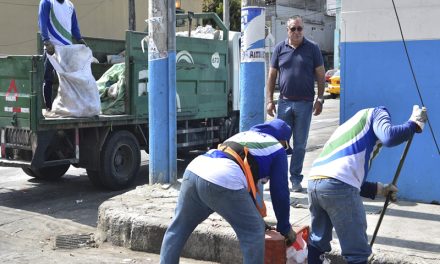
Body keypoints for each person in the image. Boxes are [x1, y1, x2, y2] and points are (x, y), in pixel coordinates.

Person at [160, 119, 297, 264]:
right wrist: (284, 227)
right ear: (284, 141)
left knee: (179, 227)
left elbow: (246, 190)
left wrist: (261, 222)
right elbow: (280, 192)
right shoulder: (277, 148)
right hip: (223, 178)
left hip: (194, 170)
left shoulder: (244, 136)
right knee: (254, 232)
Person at [306, 105, 427, 264]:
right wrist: (413, 124)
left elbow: (345, 178)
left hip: (314, 182)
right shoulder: (379, 111)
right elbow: (389, 137)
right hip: (338, 184)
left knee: (318, 240)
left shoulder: (349, 131)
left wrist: (381, 189)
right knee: (357, 253)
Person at [266, 15, 326, 192]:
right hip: (284, 103)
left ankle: (295, 180)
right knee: (279, 143)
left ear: (303, 30)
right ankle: (277, 178)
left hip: (305, 104)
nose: (297, 32)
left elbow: (321, 75)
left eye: (300, 28)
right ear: (288, 31)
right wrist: (269, 100)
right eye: (293, 29)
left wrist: (320, 99)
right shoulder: (279, 48)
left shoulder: (313, 48)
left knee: (300, 145)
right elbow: (272, 76)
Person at [38, 0, 86, 111]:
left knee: (69, 79)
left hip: (67, 50)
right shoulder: (47, 2)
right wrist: (46, 40)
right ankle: (48, 108)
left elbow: (74, 26)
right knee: (48, 79)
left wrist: (79, 38)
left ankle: (69, 107)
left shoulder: (70, 6)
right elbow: (42, 22)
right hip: (52, 48)